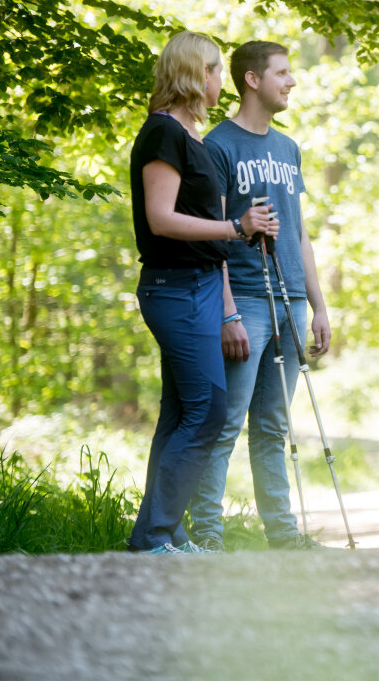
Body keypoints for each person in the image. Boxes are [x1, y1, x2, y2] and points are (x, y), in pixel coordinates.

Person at [128, 31, 279, 554]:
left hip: (202, 288)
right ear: (196, 74)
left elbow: (208, 230)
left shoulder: (195, 140)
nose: (221, 80)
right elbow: (161, 219)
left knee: (181, 414)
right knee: (210, 410)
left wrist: (227, 300)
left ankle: (162, 531)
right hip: (172, 289)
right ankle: (154, 535)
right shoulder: (162, 135)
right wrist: (236, 228)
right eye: (214, 70)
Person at [188, 40, 333, 552]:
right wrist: (226, 311)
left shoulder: (288, 148)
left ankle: (284, 536)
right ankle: (207, 535)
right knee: (225, 423)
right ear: (253, 80)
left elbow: (299, 232)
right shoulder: (217, 146)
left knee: (273, 426)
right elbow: (211, 233)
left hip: (291, 301)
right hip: (244, 300)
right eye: (283, 73)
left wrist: (318, 304)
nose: (292, 82)